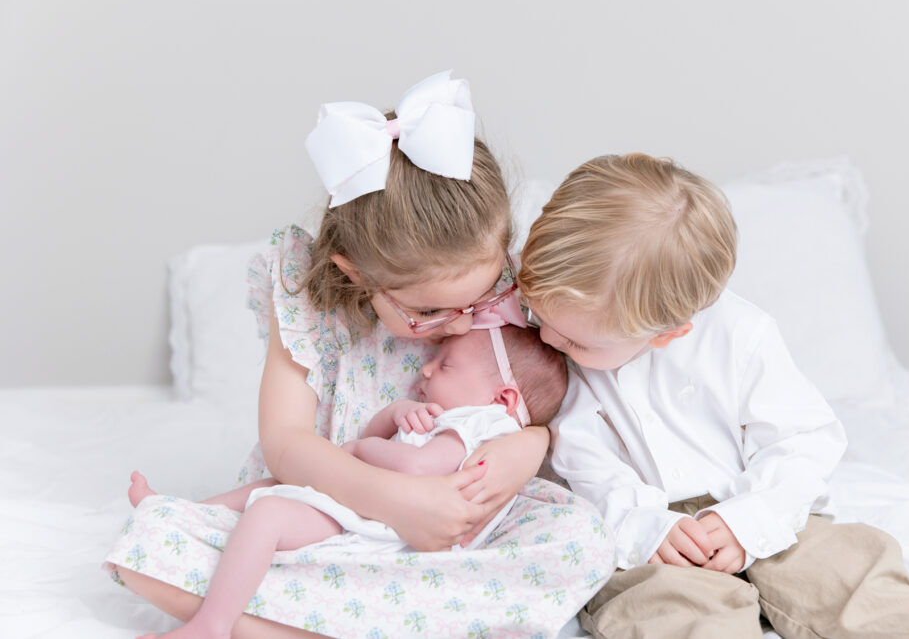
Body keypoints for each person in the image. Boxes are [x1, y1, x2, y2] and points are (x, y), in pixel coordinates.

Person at [105, 71, 615, 639]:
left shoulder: (506, 293)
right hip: (331, 507)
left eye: (482, 296)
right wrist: (397, 500)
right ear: (356, 273)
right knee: (161, 552)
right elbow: (286, 445)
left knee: (583, 543)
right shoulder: (307, 300)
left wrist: (530, 443)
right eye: (431, 312)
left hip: (453, 529)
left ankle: (309, 621)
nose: (466, 322)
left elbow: (548, 399)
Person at [517, 153, 909, 638]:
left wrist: (749, 520)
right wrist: (645, 527)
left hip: (757, 499)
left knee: (852, 585)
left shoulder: (742, 337)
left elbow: (801, 441)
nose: (545, 339)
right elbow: (581, 464)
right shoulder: (557, 355)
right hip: (644, 532)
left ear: (668, 332)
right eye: (541, 317)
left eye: (575, 340)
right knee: (674, 615)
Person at [128, 324, 568, 639]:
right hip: (366, 507)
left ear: (503, 398)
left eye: (447, 365)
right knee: (268, 486)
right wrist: (393, 416)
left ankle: (212, 625)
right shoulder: (451, 418)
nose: (426, 371)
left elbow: (413, 469)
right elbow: (373, 440)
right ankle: (184, 514)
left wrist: (361, 453)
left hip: (383, 527)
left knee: (269, 511)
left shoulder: (482, 427)